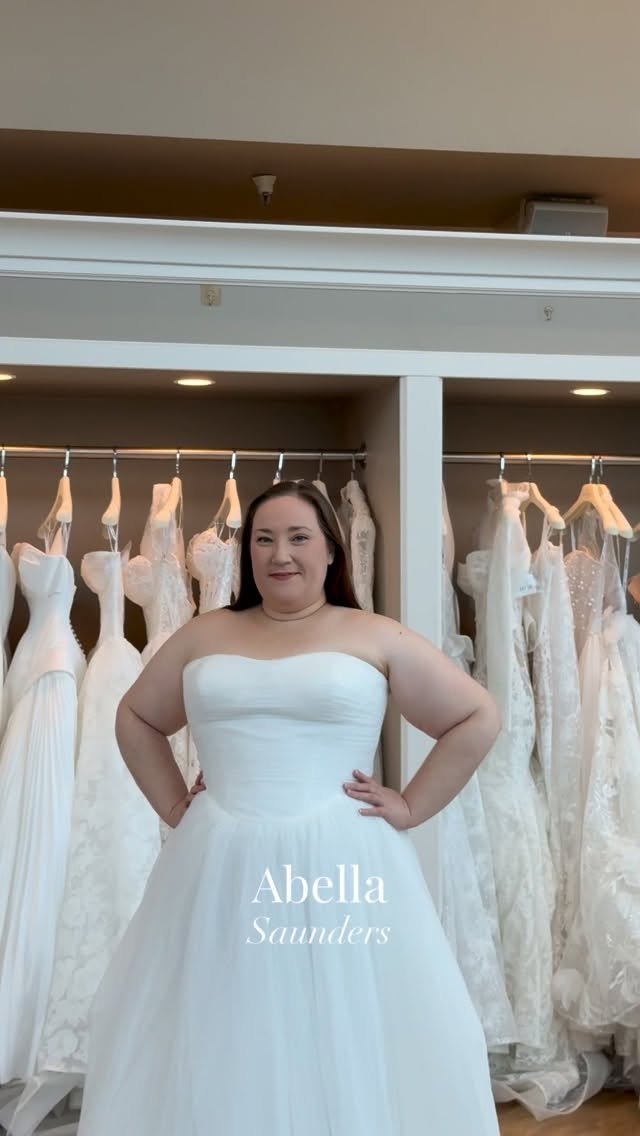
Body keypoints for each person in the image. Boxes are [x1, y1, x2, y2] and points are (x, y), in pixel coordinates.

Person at [77, 479, 501, 1136]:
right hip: (218, 863)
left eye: (299, 537)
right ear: (247, 552)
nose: (280, 554)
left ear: (331, 550)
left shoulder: (375, 634)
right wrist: (173, 804)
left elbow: (476, 716)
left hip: (340, 862)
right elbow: (135, 717)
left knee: (338, 1021)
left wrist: (412, 805)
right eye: (264, 539)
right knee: (223, 1018)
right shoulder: (206, 634)